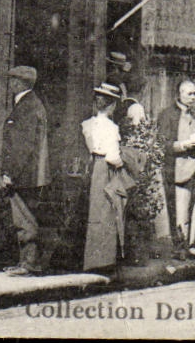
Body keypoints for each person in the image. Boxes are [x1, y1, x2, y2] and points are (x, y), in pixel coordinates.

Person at [0, 65, 49, 276]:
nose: (10, 84)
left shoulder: (26, 106)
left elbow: (22, 146)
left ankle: (29, 264)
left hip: (25, 174)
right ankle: (25, 262)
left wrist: (10, 173)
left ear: (20, 83)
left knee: (24, 218)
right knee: (25, 217)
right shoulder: (30, 103)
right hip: (30, 173)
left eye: (13, 80)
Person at [81, 82, 132, 274]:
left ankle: (87, 258)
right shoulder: (111, 127)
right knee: (106, 212)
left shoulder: (87, 124)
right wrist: (122, 163)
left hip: (92, 166)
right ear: (112, 106)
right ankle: (102, 260)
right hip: (105, 169)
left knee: (90, 211)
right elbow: (112, 157)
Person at [156, 80, 195, 253]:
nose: (193, 97)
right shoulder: (167, 114)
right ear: (179, 94)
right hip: (178, 169)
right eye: (189, 94)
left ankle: (191, 244)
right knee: (179, 210)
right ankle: (180, 246)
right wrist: (183, 145)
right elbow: (162, 143)